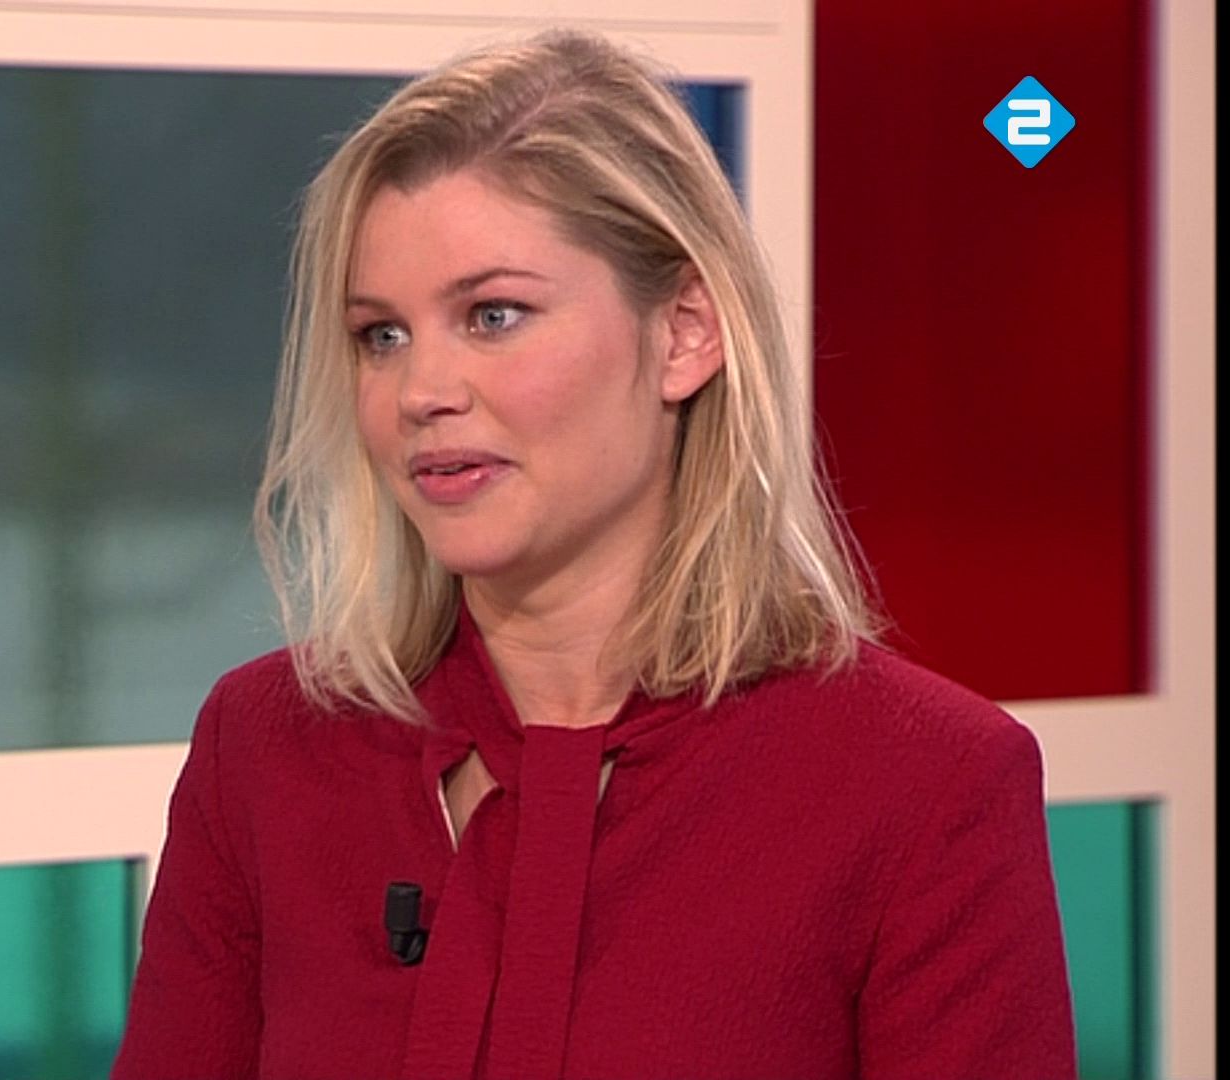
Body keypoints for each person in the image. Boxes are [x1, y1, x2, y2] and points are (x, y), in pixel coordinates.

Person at [111, 26, 1076, 1080]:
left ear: (684, 333)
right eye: (381, 335)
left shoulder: (925, 785)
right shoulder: (264, 751)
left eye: (493, 315)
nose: (421, 391)